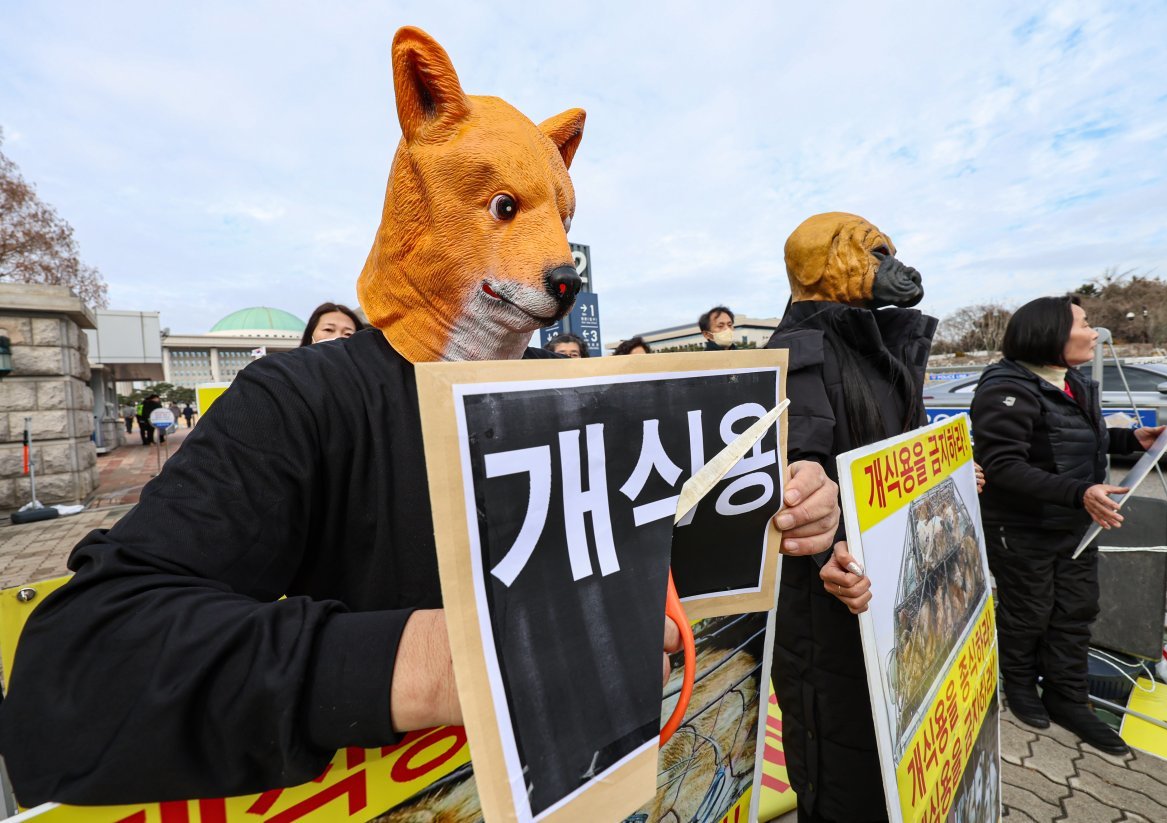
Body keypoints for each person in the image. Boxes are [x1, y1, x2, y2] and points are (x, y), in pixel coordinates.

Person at [0, 27, 840, 807]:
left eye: (559, 218)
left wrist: (776, 504)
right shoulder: (300, 403)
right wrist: (450, 661)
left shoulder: (584, 404)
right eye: (507, 210)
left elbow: (669, 557)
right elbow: (76, 670)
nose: (557, 260)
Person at [766, 212, 933, 823]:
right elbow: (799, 471)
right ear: (818, 264)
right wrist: (827, 533)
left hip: (891, 596)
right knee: (845, 767)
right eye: (874, 253)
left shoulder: (877, 346)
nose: (893, 266)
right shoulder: (795, 354)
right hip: (827, 612)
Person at [970, 295, 1163, 755]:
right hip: (1021, 528)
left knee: (1076, 611)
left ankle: (1069, 699)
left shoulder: (1071, 381)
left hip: (1074, 524)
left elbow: (1076, 440)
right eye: (1084, 322)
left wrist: (1130, 439)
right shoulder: (1004, 387)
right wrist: (1079, 493)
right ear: (1050, 332)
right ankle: (1018, 687)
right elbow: (1002, 466)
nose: (1094, 331)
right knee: (1028, 612)